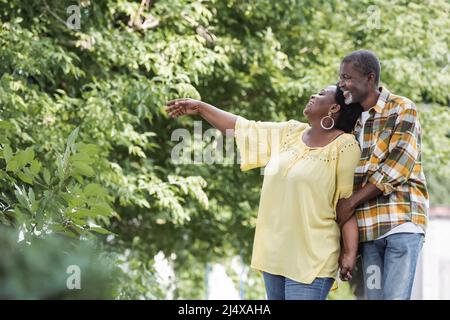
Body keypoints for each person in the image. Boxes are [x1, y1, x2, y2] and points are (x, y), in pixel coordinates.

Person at [165, 85, 362, 300]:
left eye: (322, 94)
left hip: (312, 258)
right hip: (274, 255)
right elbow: (241, 127)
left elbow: (347, 204)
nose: (314, 95)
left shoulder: (345, 146)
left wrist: (350, 253)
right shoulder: (290, 133)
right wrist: (201, 108)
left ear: (333, 108)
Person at [336, 50, 429, 300]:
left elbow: (397, 167)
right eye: (340, 78)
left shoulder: (401, 108)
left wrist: (351, 203)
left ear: (369, 78)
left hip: (400, 223)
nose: (341, 84)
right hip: (368, 230)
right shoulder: (351, 121)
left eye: (347, 77)